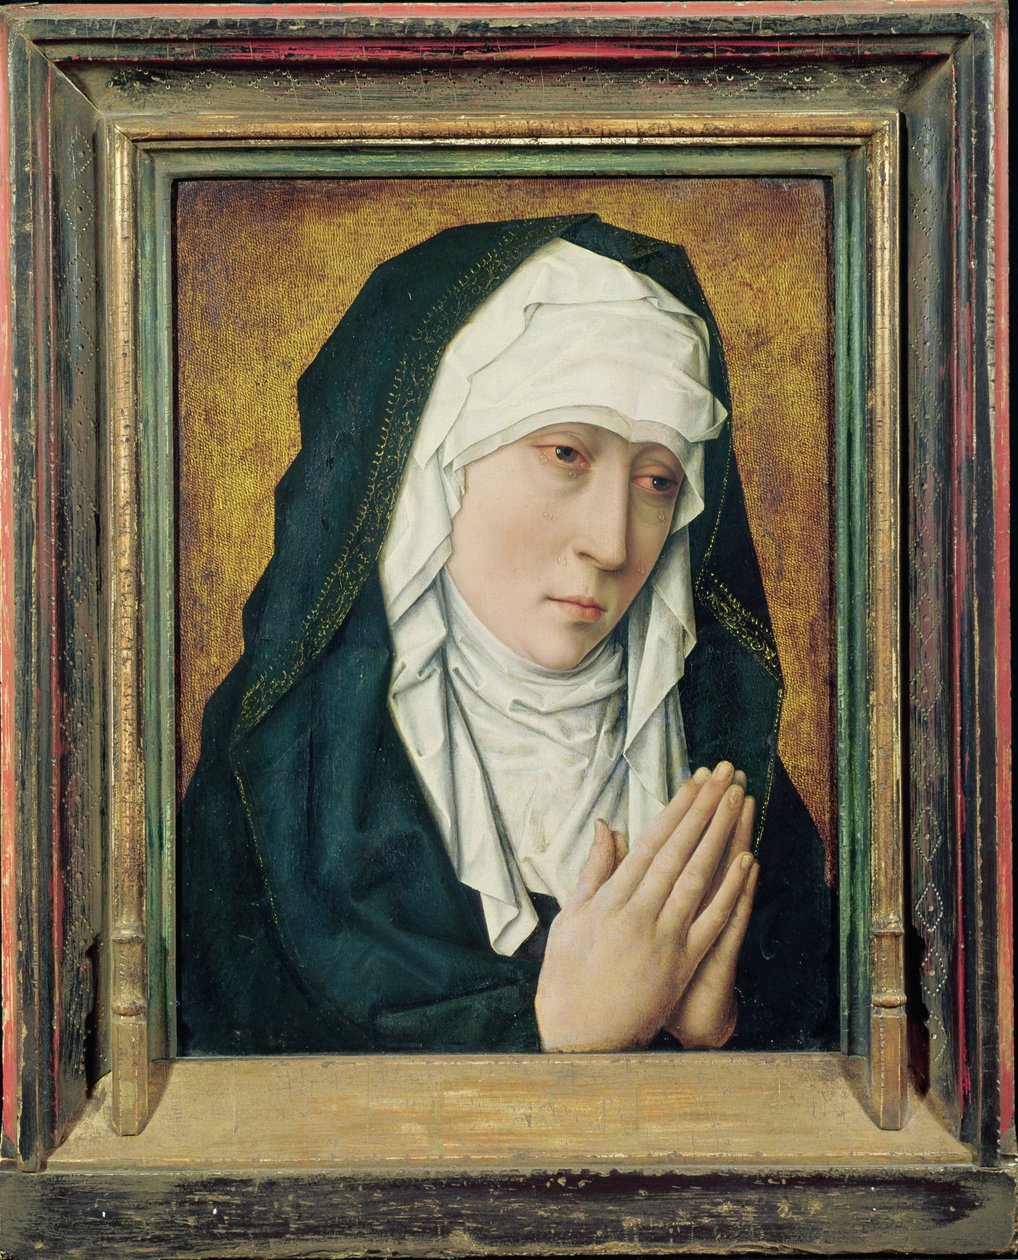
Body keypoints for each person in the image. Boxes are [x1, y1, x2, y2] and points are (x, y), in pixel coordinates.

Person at [177, 214, 836, 1056]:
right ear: (437, 463)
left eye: (657, 480)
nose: (613, 543)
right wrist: (554, 1033)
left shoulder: (723, 773)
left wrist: (719, 1035)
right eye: (566, 454)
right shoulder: (281, 777)